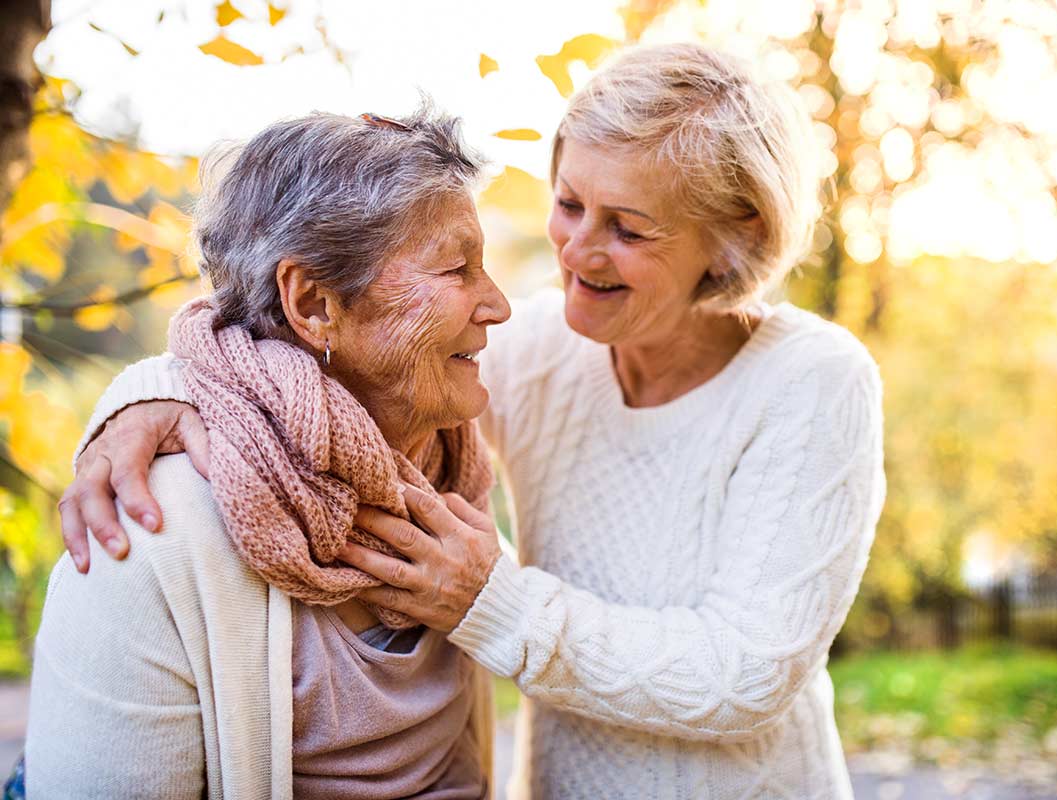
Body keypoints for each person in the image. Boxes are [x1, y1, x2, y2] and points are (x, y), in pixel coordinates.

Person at [60, 43, 886, 798]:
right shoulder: (540, 350)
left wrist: (492, 603)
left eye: (628, 228)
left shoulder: (814, 382)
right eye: (568, 204)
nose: (576, 251)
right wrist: (149, 394)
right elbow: (308, 338)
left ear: (734, 238)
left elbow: (744, 675)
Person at [27, 106, 512, 798]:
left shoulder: (448, 469)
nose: (498, 305)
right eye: (457, 270)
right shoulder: (147, 539)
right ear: (313, 304)